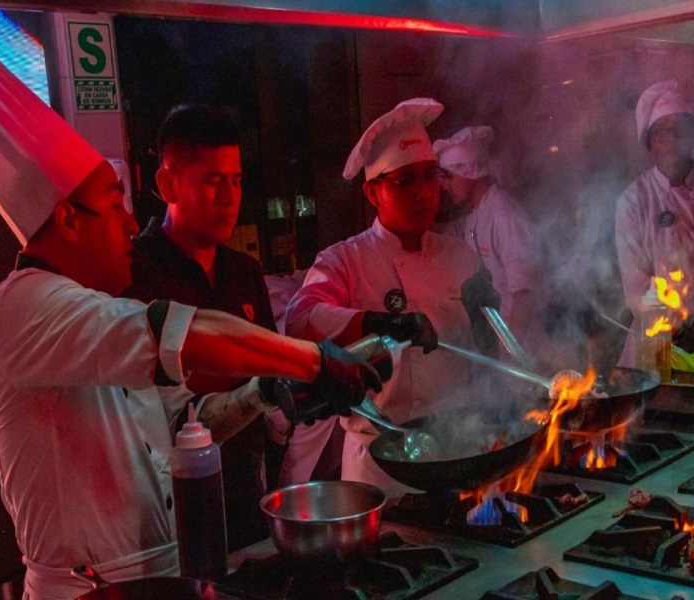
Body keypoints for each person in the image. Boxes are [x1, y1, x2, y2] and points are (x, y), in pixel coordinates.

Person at [0, 60, 380, 599]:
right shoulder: (24, 305)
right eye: (112, 206)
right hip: (91, 592)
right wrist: (311, 358)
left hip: (162, 577)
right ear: (69, 220)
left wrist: (265, 391)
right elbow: (184, 332)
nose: (129, 222)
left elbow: (189, 431)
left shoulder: (91, 314)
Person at [284, 98, 485, 497]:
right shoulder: (345, 259)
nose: (423, 193)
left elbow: (487, 360)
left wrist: (487, 321)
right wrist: (377, 323)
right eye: (404, 181)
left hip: (456, 453)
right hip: (380, 472)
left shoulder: (460, 256)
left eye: (430, 176)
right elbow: (300, 317)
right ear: (372, 193)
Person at [124, 104, 287, 552]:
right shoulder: (135, 273)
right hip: (169, 520)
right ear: (168, 184)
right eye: (213, 182)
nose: (230, 198)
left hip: (248, 507)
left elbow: (270, 371)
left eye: (235, 181)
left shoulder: (244, 271)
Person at [615, 79, 694, 364]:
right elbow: (637, 288)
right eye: (661, 133)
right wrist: (679, 325)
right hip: (657, 342)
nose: (671, 141)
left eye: (679, 131)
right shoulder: (633, 201)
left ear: (693, 135)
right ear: (650, 143)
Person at [432, 126, 548, 364]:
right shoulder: (475, 216)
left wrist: (509, 353)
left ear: (469, 172)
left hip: (525, 354)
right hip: (499, 351)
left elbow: (523, 294)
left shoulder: (505, 213)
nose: (444, 186)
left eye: (449, 177)